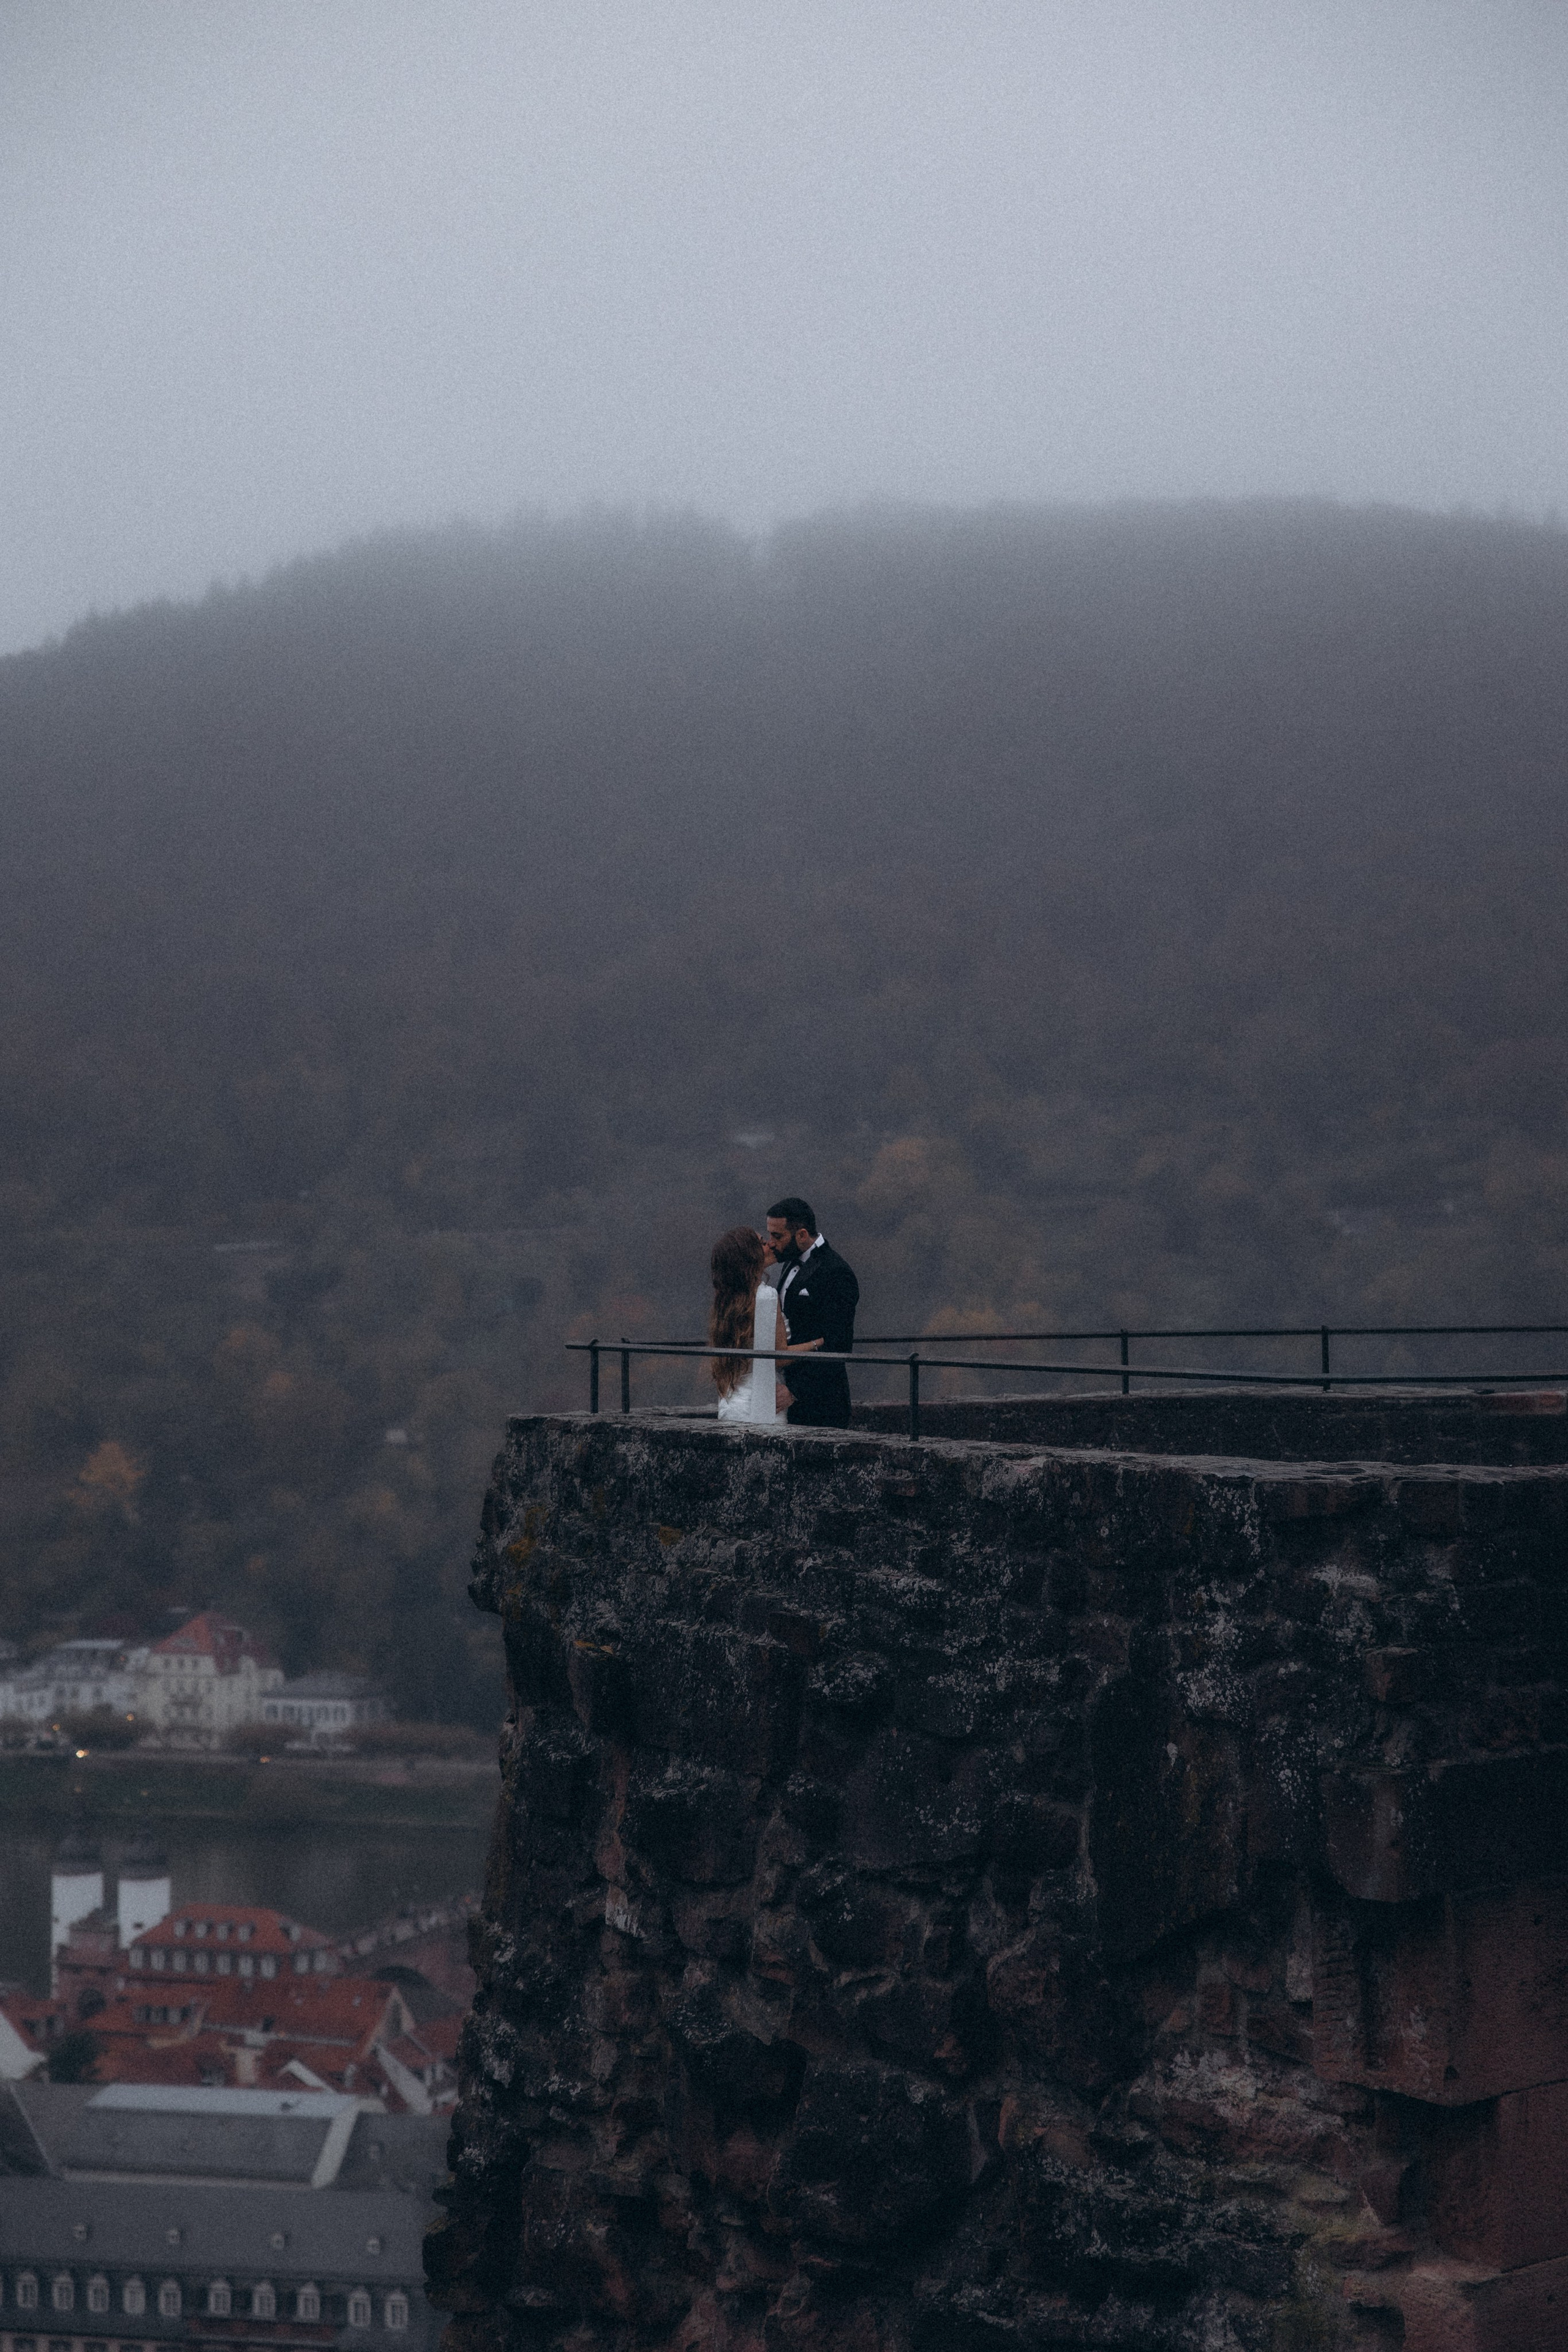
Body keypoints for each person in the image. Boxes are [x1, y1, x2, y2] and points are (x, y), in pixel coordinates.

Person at [708, 1226, 822, 1423]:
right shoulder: (766, 1296)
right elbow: (779, 1356)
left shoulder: (728, 1300)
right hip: (762, 1405)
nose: (770, 1244)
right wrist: (819, 1343)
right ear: (749, 1255)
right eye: (762, 1243)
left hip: (732, 1402)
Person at [766, 1197, 859, 1428]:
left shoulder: (837, 1272)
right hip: (785, 1394)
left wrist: (795, 1391)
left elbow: (839, 1345)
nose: (771, 1244)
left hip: (822, 1403)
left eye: (777, 1236)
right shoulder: (789, 1261)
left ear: (802, 1235)